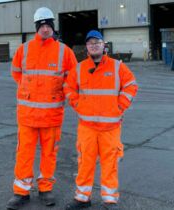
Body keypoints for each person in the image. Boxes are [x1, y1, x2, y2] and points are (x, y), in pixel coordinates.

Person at [6, 7, 77, 210]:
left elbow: (72, 80)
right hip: (27, 116)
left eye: (49, 26)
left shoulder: (65, 52)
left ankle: (46, 189)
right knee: (24, 154)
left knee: (49, 154)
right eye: (42, 26)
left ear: (53, 27)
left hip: (52, 115)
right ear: (36, 27)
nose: (45, 29)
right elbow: (16, 74)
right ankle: (21, 192)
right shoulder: (24, 49)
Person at [64, 30, 138, 210]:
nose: (94, 45)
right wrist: (78, 104)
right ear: (87, 47)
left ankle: (110, 200)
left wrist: (119, 106)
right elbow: (68, 87)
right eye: (90, 43)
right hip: (87, 127)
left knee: (109, 164)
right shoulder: (80, 68)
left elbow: (131, 85)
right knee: (85, 164)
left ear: (104, 45)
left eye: (97, 42)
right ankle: (82, 199)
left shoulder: (117, 67)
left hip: (110, 128)